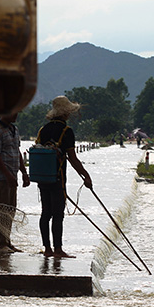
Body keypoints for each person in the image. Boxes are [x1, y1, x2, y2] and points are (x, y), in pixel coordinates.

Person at [35, 95, 92, 257]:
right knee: (58, 213)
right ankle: (58, 249)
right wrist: (86, 176)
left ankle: (47, 249)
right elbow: (73, 159)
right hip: (58, 178)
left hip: (42, 178)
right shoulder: (66, 131)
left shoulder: (43, 130)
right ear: (66, 113)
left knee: (46, 213)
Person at [0, 113, 30, 254]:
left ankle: (7, 242)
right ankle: (0, 245)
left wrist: (23, 172)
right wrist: (7, 174)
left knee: (10, 210)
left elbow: (16, 152)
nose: (15, 114)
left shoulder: (14, 129)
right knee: (1, 211)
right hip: (0, 177)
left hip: (13, 175)